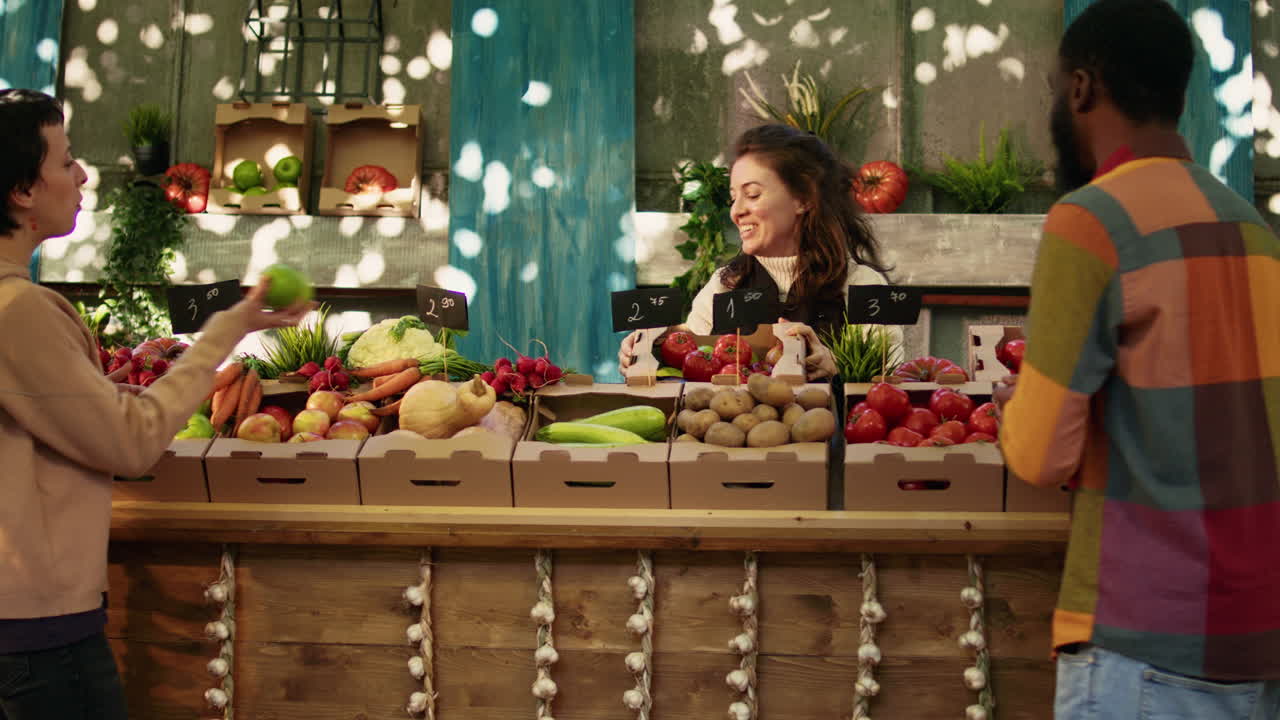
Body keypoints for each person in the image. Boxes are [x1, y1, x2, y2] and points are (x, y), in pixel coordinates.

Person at [995, 2, 1280, 718]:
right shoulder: (1253, 230)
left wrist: (1016, 410)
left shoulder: (1090, 222)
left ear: (1082, 90)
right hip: (1259, 633)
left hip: (1146, 640)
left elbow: (1040, 455)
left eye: (1056, 89)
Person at [0, 89, 312, 719]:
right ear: (22, 191)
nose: (83, 173)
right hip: (36, 637)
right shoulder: (18, 312)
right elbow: (132, 442)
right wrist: (230, 328)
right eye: (64, 161)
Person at [619, 123, 898, 380]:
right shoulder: (724, 285)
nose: (737, 211)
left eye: (752, 194)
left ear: (803, 199)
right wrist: (653, 345)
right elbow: (692, 357)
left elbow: (891, 379)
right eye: (733, 198)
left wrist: (835, 366)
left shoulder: (862, 285)